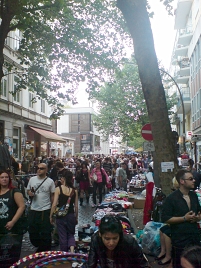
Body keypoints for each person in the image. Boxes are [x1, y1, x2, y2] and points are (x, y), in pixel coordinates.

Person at [162, 169, 201, 268]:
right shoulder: (171, 198)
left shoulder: (193, 195)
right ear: (182, 181)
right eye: (190, 179)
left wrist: (197, 218)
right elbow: (166, 218)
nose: (194, 180)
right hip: (180, 239)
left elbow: (199, 211)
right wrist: (184, 218)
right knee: (179, 264)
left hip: (194, 237)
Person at [27, 163, 55, 252]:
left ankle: (45, 251)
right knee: (32, 230)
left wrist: (52, 211)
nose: (39, 170)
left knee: (45, 232)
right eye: (37, 168)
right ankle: (39, 245)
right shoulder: (32, 179)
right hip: (33, 209)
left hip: (45, 209)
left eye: (41, 168)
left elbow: (52, 196)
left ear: (46, 170)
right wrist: (29, 193)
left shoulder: (50, 181)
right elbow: (28, 190)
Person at [0, 170, 25, 267]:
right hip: (0, 229)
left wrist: (13, 221)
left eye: (6, 177)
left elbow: (22, 207)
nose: (4, 179)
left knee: (11, 257)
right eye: (2, 177)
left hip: (12, 230)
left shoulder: (14, 191)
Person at [50, 170, 78, 253]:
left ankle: (64, 254)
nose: (60, 179)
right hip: (71, 215)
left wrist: (51, 216)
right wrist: (76, 217)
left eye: (62, 177)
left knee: (62, 236)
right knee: (71, 234)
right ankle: (72, 251)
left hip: (61, 216)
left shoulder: (58, 189)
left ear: (64, 178)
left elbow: (54, 204)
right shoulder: (74, 190)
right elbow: (76, 206)